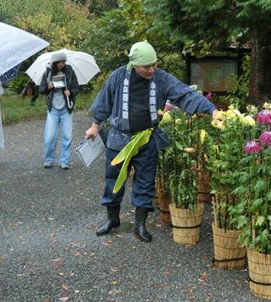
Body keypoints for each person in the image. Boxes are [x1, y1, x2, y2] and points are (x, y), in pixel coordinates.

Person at [85, 41, 218, 243]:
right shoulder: (118, 76)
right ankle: (112, 219)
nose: (152, 69)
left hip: (147, 139)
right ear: (134, 64)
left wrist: (212, 110)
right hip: (119, 138)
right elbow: (104, 100)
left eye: (154, 64)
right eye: (146, 66)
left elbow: (185, 94)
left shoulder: (162, 78)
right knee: (113, 179)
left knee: (145, 181)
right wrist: (95, 125)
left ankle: (140, 224)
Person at [39, 51, 80, 169]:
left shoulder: (70, 71)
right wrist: (48, 87)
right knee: (50, 136)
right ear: (54, 63)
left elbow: (77, 88)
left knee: (67, 136)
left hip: (67, 108)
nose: (62, 64)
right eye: (59, 62)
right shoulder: (47, 72)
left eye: (63, 62)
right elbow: (41, 90)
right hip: (53, 109)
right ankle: (48, 159)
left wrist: (70, 92)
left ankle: (64, 161)